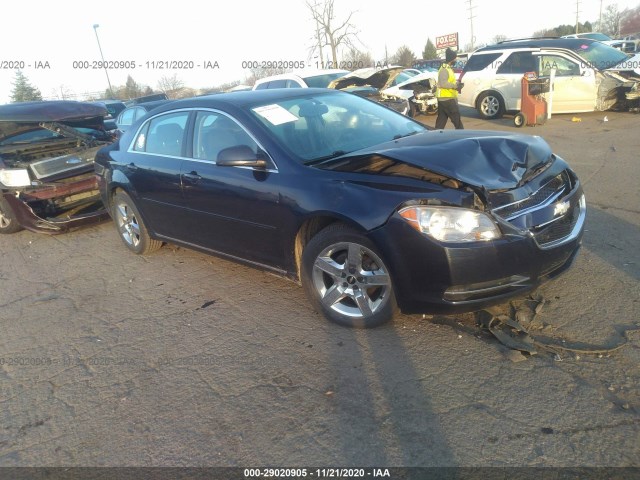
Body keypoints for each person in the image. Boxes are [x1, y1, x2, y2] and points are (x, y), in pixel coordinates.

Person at [435, 48, 464, 130]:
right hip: (447, 99)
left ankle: (435, 137)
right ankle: (462, 136)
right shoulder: (444, 69)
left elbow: (447, 82)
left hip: (444, 99)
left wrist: (457, 84)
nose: (456, 60)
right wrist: (455, 86)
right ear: (451, 59)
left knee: (441, 122)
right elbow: (443, 83)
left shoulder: (447, 68)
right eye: (455, 58)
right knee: (457, 121)